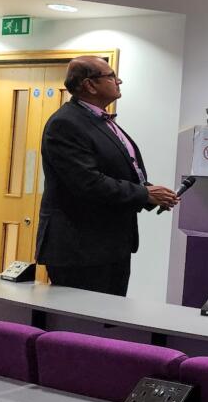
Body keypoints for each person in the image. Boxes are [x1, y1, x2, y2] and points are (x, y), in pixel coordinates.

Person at [36, 56, 179, 296]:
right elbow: (88, 183)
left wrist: (152, 194)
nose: (118, 81)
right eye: (111, 76)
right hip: (80, 248)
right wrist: (143, 193)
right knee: (82, 319)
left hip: (110, 245)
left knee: (109, 316)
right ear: (90, 85)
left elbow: (117, 170)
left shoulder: (100, 120)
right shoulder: (65, 123)